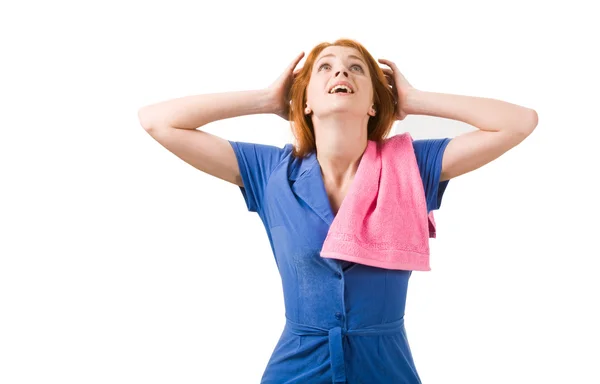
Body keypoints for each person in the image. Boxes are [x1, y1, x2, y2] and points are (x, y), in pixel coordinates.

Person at [138, 38, 538, 383]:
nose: (340, 73)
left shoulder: (412, 167)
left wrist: (414, 101)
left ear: (373, 104)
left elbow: (519, 123)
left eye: (356, 69)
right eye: (324, 68)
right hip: (296, 368)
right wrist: (264, 99)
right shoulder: (271, 172)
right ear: (306, 101)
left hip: (387, 368)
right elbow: (158, 122)